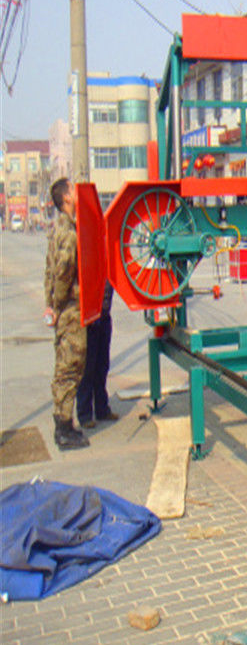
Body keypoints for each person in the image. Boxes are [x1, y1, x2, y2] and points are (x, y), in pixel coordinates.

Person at [43, 177, 89, 449]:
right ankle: (63, 429)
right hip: (70, 309)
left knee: (65, 365)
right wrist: (59, 305)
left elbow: (48, 271)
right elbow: (62, 272)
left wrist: (49, 303)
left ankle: (65, 424)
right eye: (73, 188)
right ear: (67, 198)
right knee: (70, 367)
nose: (77, 191)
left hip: (64, 308)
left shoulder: (58, 228)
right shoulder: (69, 233)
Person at [76, 280, 119, 428]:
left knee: (102, 365)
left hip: (104, 314)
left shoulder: (108, 267)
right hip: (89, 317)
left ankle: (102, 409)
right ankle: (84, 414)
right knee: (88, 367)